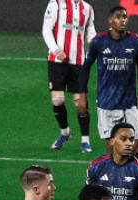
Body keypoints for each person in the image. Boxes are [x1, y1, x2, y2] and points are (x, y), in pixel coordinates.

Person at [78, 5, 138, 157]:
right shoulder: (98, 42)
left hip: (129, 103)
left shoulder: (136, 42)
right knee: (112, 149)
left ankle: (129, 176)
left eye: (124, 17)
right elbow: (85, 68)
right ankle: (114, 179)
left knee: (136, 148)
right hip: (107, 103)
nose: (122, 20)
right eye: (118, 17)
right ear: (110, 20)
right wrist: (82, 94)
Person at [43, 0, 97, 153]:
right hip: (57, 61)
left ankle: (85, 140)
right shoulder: (56, 4)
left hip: (78, 63)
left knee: (81, 104)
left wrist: (93, 51)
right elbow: (46, 30)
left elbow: (91, 34)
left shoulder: (87, 8)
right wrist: (55, 50)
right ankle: (65, 132)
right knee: (57, 100)